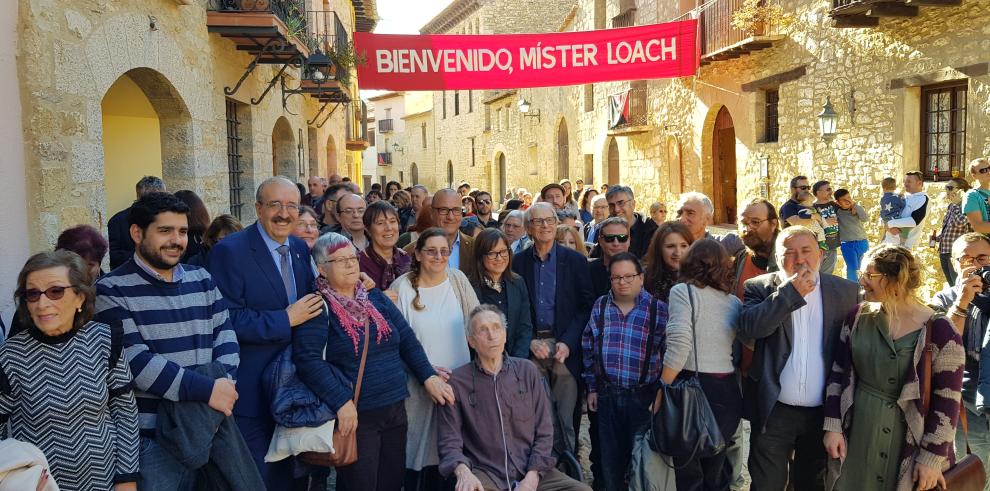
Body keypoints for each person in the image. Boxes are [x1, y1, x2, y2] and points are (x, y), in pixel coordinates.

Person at [94, 192, 250, 489]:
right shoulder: (111, 290)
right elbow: (135, 362)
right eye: (165, 231)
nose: (177, 240)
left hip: (212, 425)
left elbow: (226, 338)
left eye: (182, 231)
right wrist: (209, 391)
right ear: (137, 233)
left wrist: (223, 387)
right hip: (155, 441)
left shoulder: (202, 278)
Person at [294, 232, 453, 491]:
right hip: (356, 413)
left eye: (352, 258)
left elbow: (407, 340)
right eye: (340, 260)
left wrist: (429, 376)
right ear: (322, 269)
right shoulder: (317, 306)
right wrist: (340, 402)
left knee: (391, 483)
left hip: (394, 407)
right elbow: (308, 360)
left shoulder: (375, 298)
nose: (350, 264)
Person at [207, 177, 326, 485]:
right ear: (258, 208)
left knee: (296, 478)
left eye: (291, 206)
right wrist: (284, 320)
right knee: (258, 480)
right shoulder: (229, 251)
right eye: (275, 205)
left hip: (295, 390)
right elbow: (226, 319)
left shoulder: (300, 248)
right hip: (252, 394)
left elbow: (314, 303)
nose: (284, 213)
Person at [824, 244, 964, 491]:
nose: (862, 281)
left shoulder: (940, 330)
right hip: (859, 433)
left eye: (870, 275)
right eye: (862, 274)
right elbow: (838, 372)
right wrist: (833, 426)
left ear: (895, 279)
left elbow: (948, 401)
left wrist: (931, 457)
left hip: (909, 437)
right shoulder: (857, 317)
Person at [0, 251, 140, 491]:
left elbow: (124, 413)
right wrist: (16, 479)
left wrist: (126, 478)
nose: (42, 303)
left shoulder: (104, 340)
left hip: (104, 482)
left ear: (80, 297)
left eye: (56, 291)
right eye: (32, 294)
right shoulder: (10, 356)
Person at [737, 226, 860, 490]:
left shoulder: (847, 292)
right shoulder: (758, 288)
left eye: (806, 251)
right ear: (776, 257)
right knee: (766, 484)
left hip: (822, 413)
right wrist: (788, 295)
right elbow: (751, 329)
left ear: (820, 254)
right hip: (773, 411)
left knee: (811, 483)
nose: (800, 259)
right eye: (789, 252)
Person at [438, 305, 593, 491]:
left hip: (531, 470)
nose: (491, 335)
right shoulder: (457, 382)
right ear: (471, 341)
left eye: (496, 328)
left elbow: (545, 432)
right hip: (485, 473)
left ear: (504, 334)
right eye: (482, 330)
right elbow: (449, 442)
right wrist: (463, 472)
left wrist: (532, 477)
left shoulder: (528, 371)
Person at [389, 228, 480, 490]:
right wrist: (424, 372)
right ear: (417, 253)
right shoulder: (402, 287)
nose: (438, 256)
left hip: (458, 385)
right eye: (430, 251)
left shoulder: (458, 280)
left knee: (454, 453)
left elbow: (477, 321)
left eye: (444, 251)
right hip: (417, 388)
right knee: (420, 457)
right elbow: (394, 343)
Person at [660, 240, 742, 490]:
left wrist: (662, 387)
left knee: (689, 476)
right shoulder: (733, 302)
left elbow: (679, 344)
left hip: (692, 388)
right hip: (727, 392)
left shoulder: (682, 292)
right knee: (715, 475)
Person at [512, 202, 594, 452]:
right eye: (538, 221)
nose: (545, 226)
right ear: (528, 228)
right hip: (532, 349)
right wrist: (528, 343)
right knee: (535, 418)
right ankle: (540, 470)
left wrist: (568, 343)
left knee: (565, 420)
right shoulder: (517, 262)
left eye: (549, 220)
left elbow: (585, 307)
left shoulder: (576, 261)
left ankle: (569, 469)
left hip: (563, 349)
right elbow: (515, 310)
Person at [583, 252, 667, 491]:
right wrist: (591, 388)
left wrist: (660, 395)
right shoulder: (600, 306)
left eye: (628, 276)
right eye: (616, 277)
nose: (622, 282)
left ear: (641, 278)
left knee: (641, 462)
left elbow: (669, 353)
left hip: (644, 397)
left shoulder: (658, 310)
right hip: (607, 394)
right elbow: (588, 346)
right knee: (609, 461)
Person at [929, 232, 990, 487]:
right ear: (953, 263)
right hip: (965, 399)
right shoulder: (943, 299)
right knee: (977, 470)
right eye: (965, 259)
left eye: (982, 258)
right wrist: (963, 301)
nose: (974, 266)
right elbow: (942, 347)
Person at [468, 228, 534, 359]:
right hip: (480, 362)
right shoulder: (469, 286)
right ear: (480, 257)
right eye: (492, 253)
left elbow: (524, 327)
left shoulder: (518, 282)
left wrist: (517, 362)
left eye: (504, 251)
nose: (499, 258)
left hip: (515, 361)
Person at [404, 189, 476, 278]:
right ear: (431, 213)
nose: (450, 217)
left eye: (456, 210)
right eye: (443, 210)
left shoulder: (475, 247)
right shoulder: (410, 252)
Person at [108, 175, 166, 270]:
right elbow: (112, 256)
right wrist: (144, 255)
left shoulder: (167, 219)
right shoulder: (118, 221)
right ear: (140, 198)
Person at [359, 200, 412, 291]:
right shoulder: (359, 263)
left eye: (392, 221)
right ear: (368, 229)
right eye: (380, 223)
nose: (388, 228)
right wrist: (380, 300)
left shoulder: (406, 258)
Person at [675, 192, 744, 256]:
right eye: (679, 213)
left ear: (707, 219)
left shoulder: (722, 245)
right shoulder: (667, 246)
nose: (682, 219)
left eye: (690, 213)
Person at [642, 221, 694, 302]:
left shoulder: (699, 279)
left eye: (683, 246)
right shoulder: (643, 278)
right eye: (670, 246)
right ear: (659, 249)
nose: (678, 253)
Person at [600, 185, 657, 259]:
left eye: (621, 203)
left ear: (633, 204)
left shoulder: (650, 231)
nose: (616, 209)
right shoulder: (605, 229)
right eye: (611, 205)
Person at [937, 178, 973, 286]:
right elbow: (950, 227)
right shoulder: (951, 206)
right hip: (944, 251)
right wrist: (939, 237)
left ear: (960, 190)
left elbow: (960, 223)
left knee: (959, 284)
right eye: (946, 188)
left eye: (950, 188)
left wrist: (956, 205)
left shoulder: (966, 205)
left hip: (956, 253)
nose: (947, 191)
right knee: (952, 285)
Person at [588, 217, 632, 298]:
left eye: (622, 238)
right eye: (609, 238)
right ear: (600, 241)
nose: (616, 243)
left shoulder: (641, 272)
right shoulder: (587, 272)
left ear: (629, 240)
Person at [832, 189, 870, 282]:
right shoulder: (837, 212)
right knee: (853, 269)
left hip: (862, 242)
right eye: (844, 200)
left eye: (849, 198)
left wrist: (855, 205)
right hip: (847, 245)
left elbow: (865, 219)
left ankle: (863, 289)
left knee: (864, 267)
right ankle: (853, 290)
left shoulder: (856, 209)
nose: (848, 201)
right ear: (838, 202)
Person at [886, 171, 929, 249]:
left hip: (904, 245)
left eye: (909, 181)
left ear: (919, 183)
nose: (905, 184)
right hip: (889, 242)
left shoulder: (923, 198)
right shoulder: (903, 196)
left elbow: (914, 221)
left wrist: (890, 223)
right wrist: (887, 225)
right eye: (904, 181)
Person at [811, 181, 840, 275]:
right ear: (818, 192)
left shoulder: (834, 205)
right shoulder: (812, 208)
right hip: (818, 248)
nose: (831, 191)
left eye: (830, 189)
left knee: (827, 275)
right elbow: (810, 226)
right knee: (816, 274)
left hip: (832, 247)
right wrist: (825, 223)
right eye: (827, 189)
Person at [964, 158, 990, 235]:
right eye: (983, 170)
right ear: (974, 176)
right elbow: (978, 226)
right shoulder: (972, 195)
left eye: (989, 168)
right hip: (985, 244)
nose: (989, 172)